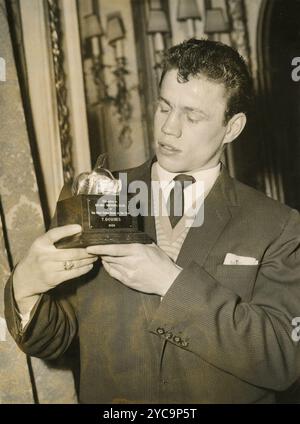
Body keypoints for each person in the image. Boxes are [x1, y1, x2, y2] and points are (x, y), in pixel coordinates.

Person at [5, 39, 300, 404]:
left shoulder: (278, 224)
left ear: (232, 127)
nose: (168, 129)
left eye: (192, 116)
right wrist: (26, 288)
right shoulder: (93, 193)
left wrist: (171, 283)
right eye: (164, 107)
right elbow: (54, 340)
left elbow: (282, 358)